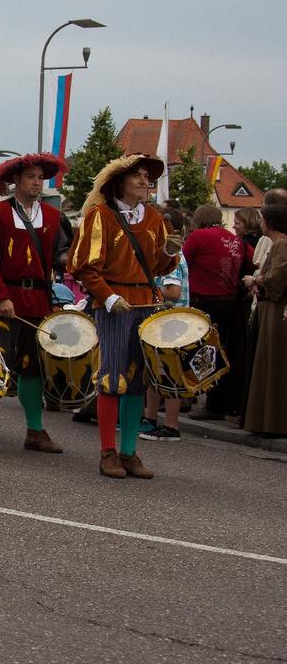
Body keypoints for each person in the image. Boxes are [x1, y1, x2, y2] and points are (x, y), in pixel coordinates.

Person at [69, 154, 179, 479]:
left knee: (137, 380)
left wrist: (170, 253)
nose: (146, 182)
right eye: (139, 176)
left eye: (148, 177)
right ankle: (107, 452)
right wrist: (108, 295)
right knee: (112, 377)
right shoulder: (101, 215)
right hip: (114, 303)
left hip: (145, 302)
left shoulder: (155, 217)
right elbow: (85, 266)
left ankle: (129, 451)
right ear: (120, 181)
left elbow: (158, 268)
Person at [0, 153, 69, 454]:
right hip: (3, 299)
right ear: (15, 180)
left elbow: (63, 256)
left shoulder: (54, 217)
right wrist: (1, 296)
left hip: (38, 301)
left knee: (33, 369)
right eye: (31, 177)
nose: (37, 183)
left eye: (41, 178)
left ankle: (35, 430)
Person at [182, 204, 252, 421]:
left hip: (204, 303)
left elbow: (182, 263)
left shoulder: (198, 237)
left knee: (204, 354)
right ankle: (221, 402)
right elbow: (250, 264)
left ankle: (205, 402)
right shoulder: (237, 241)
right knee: (224, 354)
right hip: (230, 304)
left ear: (199, 220)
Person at [141, 207, 190, 441]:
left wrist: (142, 289)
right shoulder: (161, 254)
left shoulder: (174, 256)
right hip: (161, 320)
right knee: (152, 371)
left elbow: (173, 290)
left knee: (171, 373)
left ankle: (171, 426)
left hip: (172, 322)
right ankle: (149, 419)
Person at [243, 204, 287, 435]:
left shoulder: (281, 244)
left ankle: (272, 422)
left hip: (275, 311)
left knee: (272, 365)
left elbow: (278, 276)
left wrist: (256, 280)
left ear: (270, 223)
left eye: (263, 220)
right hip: (272, 308)